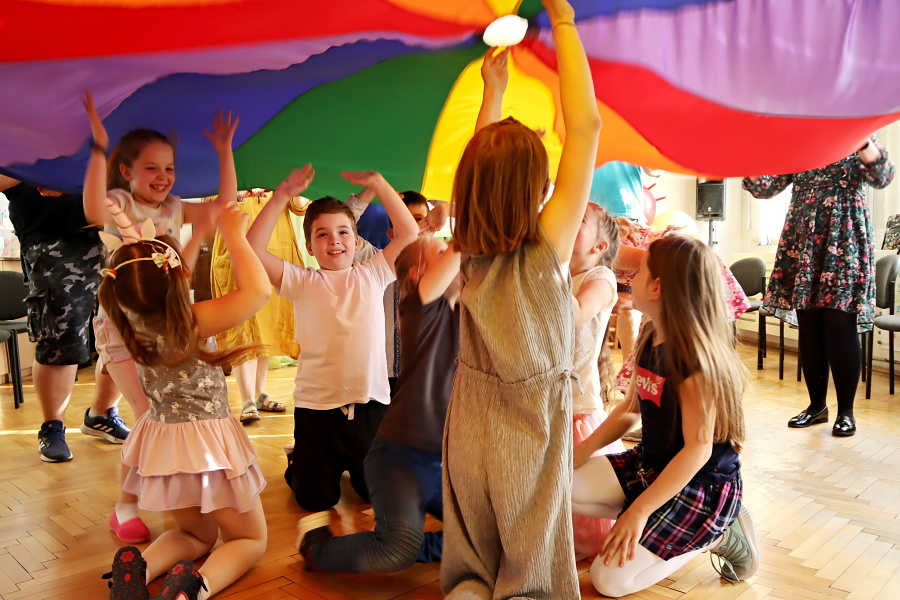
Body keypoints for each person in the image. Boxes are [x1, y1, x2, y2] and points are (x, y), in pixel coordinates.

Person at [440, 0, 602, 596]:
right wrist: (564, 24)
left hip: (468, 419)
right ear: (538, 186)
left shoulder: (471, 242)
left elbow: (480, 172)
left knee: (472, 568)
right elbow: (586, 126)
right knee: (531, 577)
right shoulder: (545, 245)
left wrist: (494, 95)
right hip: (528, 427)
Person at [83, 92, 235, 543]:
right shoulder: (118, 202)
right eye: (152, 168)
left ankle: (178, 492)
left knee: (164, 414)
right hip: (124, 329)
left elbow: (223, 208)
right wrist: (98, 147)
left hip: (170, 326)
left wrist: (224, 152)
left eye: (169, 168)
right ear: (126, 171)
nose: (164, 176)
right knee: (149, 414)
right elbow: (92, 209)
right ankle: (126, 505)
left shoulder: (174, 207)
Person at [99, 201, 269, 600]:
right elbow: (259, 291)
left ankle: (138, 571)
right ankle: (193, 590)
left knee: (194, 535)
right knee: (249, 540)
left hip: (165, 445)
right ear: (177, 279)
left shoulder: (126, 317)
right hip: (208, 446)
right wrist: (234, 235)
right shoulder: (192, 321)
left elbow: (144, 275)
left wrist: (137, 240)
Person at [572, 234, 758, 597]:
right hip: (652, 466)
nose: (632, 276)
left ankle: (714, 535)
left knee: (608, 581)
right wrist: (581, 452)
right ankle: (660, 522)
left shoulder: (695, 361)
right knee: (562, 484)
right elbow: (630, 409)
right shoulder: (651, 332)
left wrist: (638, 513)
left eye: (640, 271)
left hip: (701, 487)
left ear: (657, 287)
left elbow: (697, 452)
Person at [246, 166, 418, 512]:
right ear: (310, 247)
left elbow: (409, 233)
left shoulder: (373, 272)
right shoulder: (301, 281)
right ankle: (300, 462)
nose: (334, 240)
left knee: (373, 495)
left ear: (356, 241)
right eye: (322, 234)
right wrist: (281, 196)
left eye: (342, 232)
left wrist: (379, 184)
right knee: (316, 501)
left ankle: (351, 466)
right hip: (317, 410)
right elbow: (252, 247)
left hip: (369, 405)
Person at [296, 236, 461, 572]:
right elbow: (465, 249)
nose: (453, 253)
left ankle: (423, 543)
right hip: (400, 459)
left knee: (489, 538)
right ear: (418, 273)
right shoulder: (418, 305)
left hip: (446, 463)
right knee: (396, 551)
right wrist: (472, 224)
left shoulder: (464, 310)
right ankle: (316, 547)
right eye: (442, 251)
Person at [743, 138, 895, 437]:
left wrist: (862, 141)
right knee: (809, 324)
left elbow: (883, 176)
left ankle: (846, 412)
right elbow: (764, 188)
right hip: (804, 237)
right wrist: (744, 154)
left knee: (841, 323)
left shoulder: (856, 131)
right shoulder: (798, 140)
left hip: (844, 236)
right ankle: (816, 407)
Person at [0, 177, 127, 462]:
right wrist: (43, 170)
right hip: (51, 240)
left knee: (123, 335)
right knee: (60, 338)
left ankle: (102, 414)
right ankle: (52, 427)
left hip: (114, 235)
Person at [208, 189, 300, 423]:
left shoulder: (278, 176)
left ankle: (259, 394)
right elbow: (212, 202)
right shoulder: (227, 174)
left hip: (276, 254)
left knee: (265, 327)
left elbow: (300, 206)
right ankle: (247, 399)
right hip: (236, 254)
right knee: (243, 327)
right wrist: (240, 192)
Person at [569, 202, 627, 558]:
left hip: (574, 402)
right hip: (540, 397)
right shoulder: (558, 270)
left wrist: (549, 266)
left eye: (579, 219)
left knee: (569, 480)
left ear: (599, 246)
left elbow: (574, 314)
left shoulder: (600, 277)